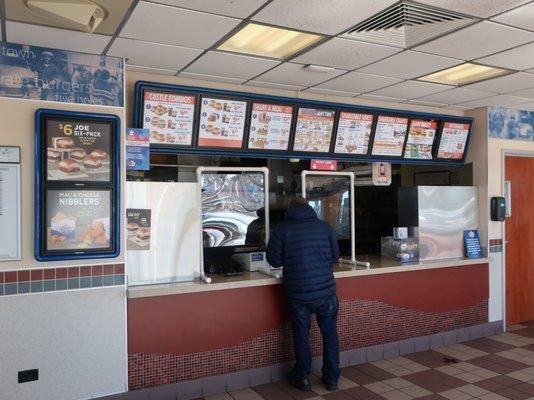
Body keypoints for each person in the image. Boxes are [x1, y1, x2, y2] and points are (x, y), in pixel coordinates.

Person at [266, 197, 340, 392]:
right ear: (308, 207)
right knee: (330, 335)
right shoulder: (325, 227)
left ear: (289, 210)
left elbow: (273, 261)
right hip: (326, 292)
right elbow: (335, 256)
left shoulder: (281, 230)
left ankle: (302, 377)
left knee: (301, 336)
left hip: (298, 294)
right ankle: (332, 379)